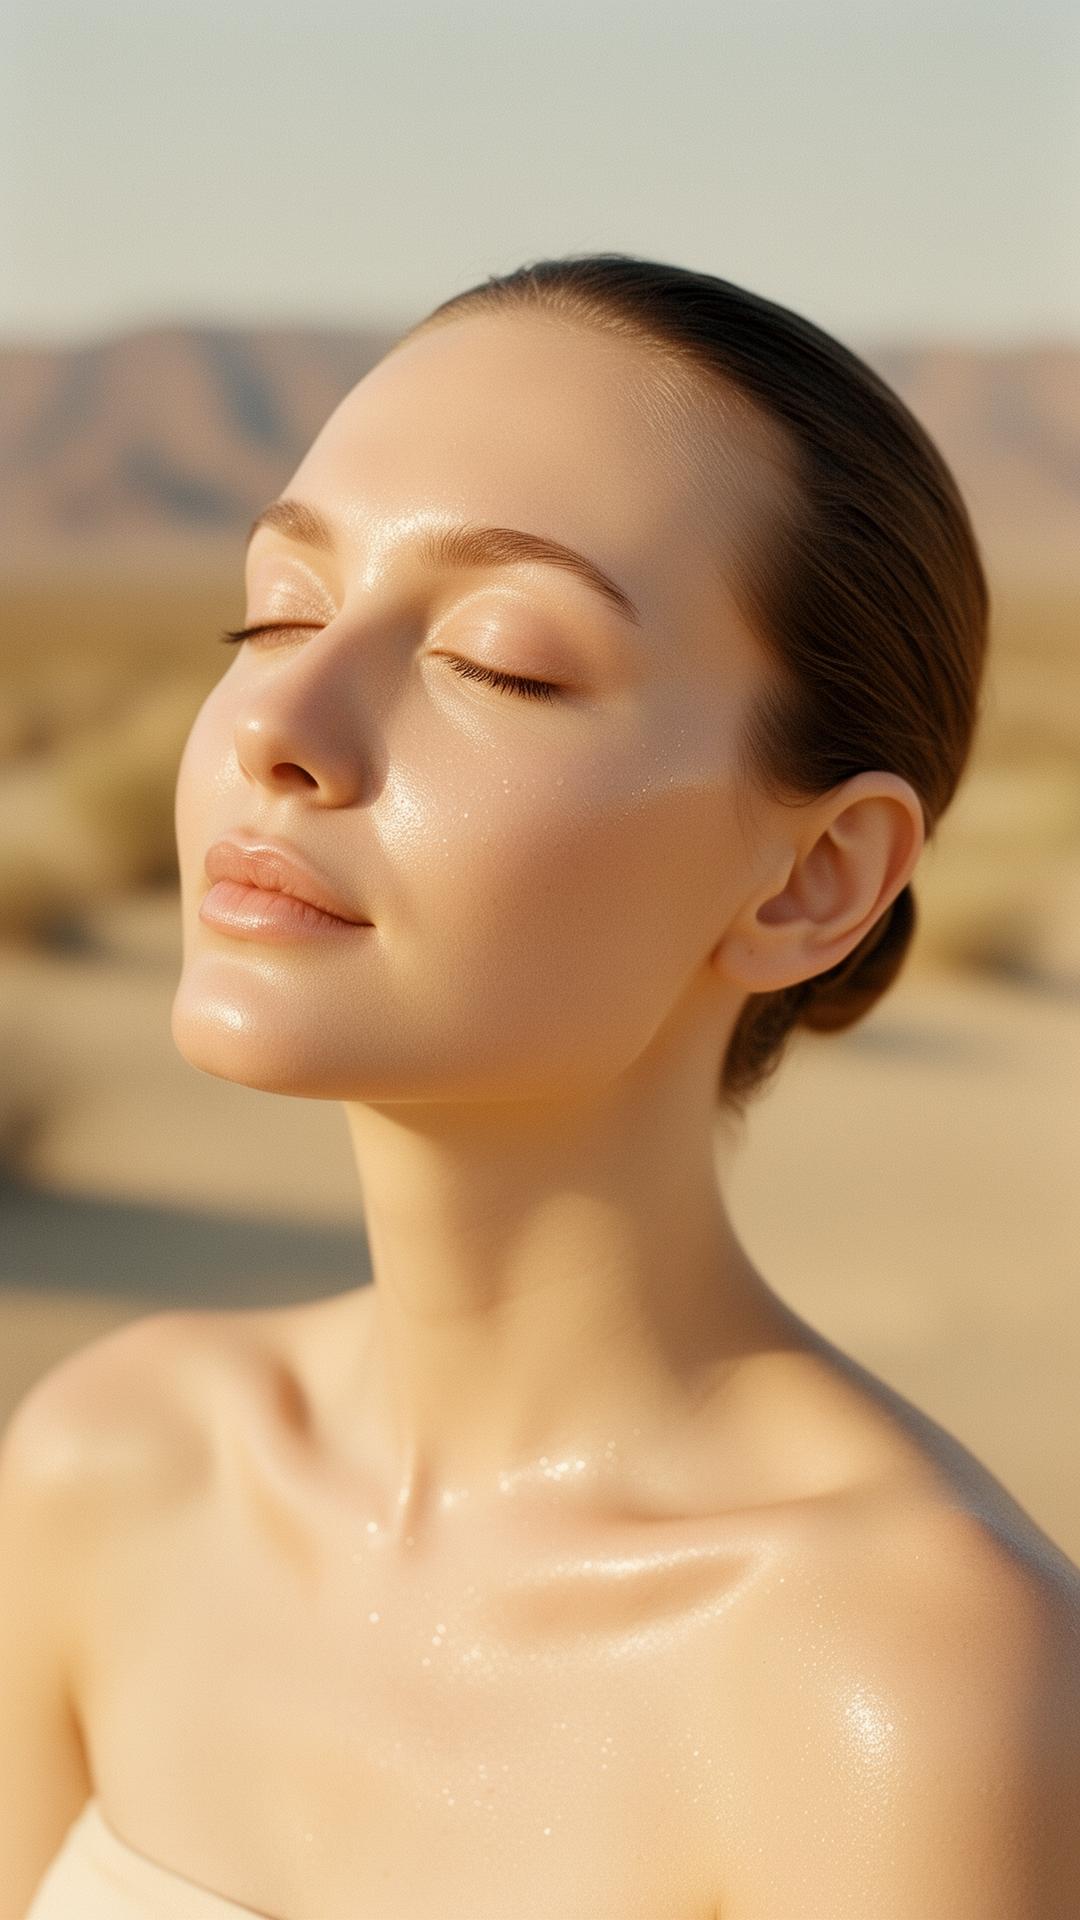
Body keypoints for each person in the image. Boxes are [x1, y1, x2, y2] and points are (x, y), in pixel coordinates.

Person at [5, 253, 1080, 1919]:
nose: (278, 718)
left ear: (811, 880)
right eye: (274, 609)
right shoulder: (106, 1470)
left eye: (502, 661)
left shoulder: (905, 1685)